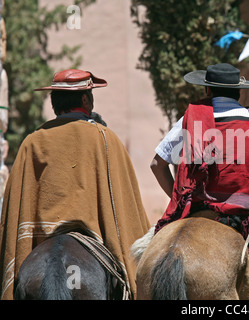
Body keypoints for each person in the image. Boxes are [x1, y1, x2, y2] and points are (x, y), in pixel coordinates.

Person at [0, 69, 150, 299]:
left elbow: (14, 210)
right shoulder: (105, 138)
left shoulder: (32, 141)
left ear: (54, 102)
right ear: (84, 99)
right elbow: (126, 209)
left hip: (40, 243)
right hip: (94, 240)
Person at [150, 63, 249, 251]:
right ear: (238, 92)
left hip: (202, 213)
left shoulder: (190, 118)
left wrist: (179, 200)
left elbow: (157, 164)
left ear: (208, 90)